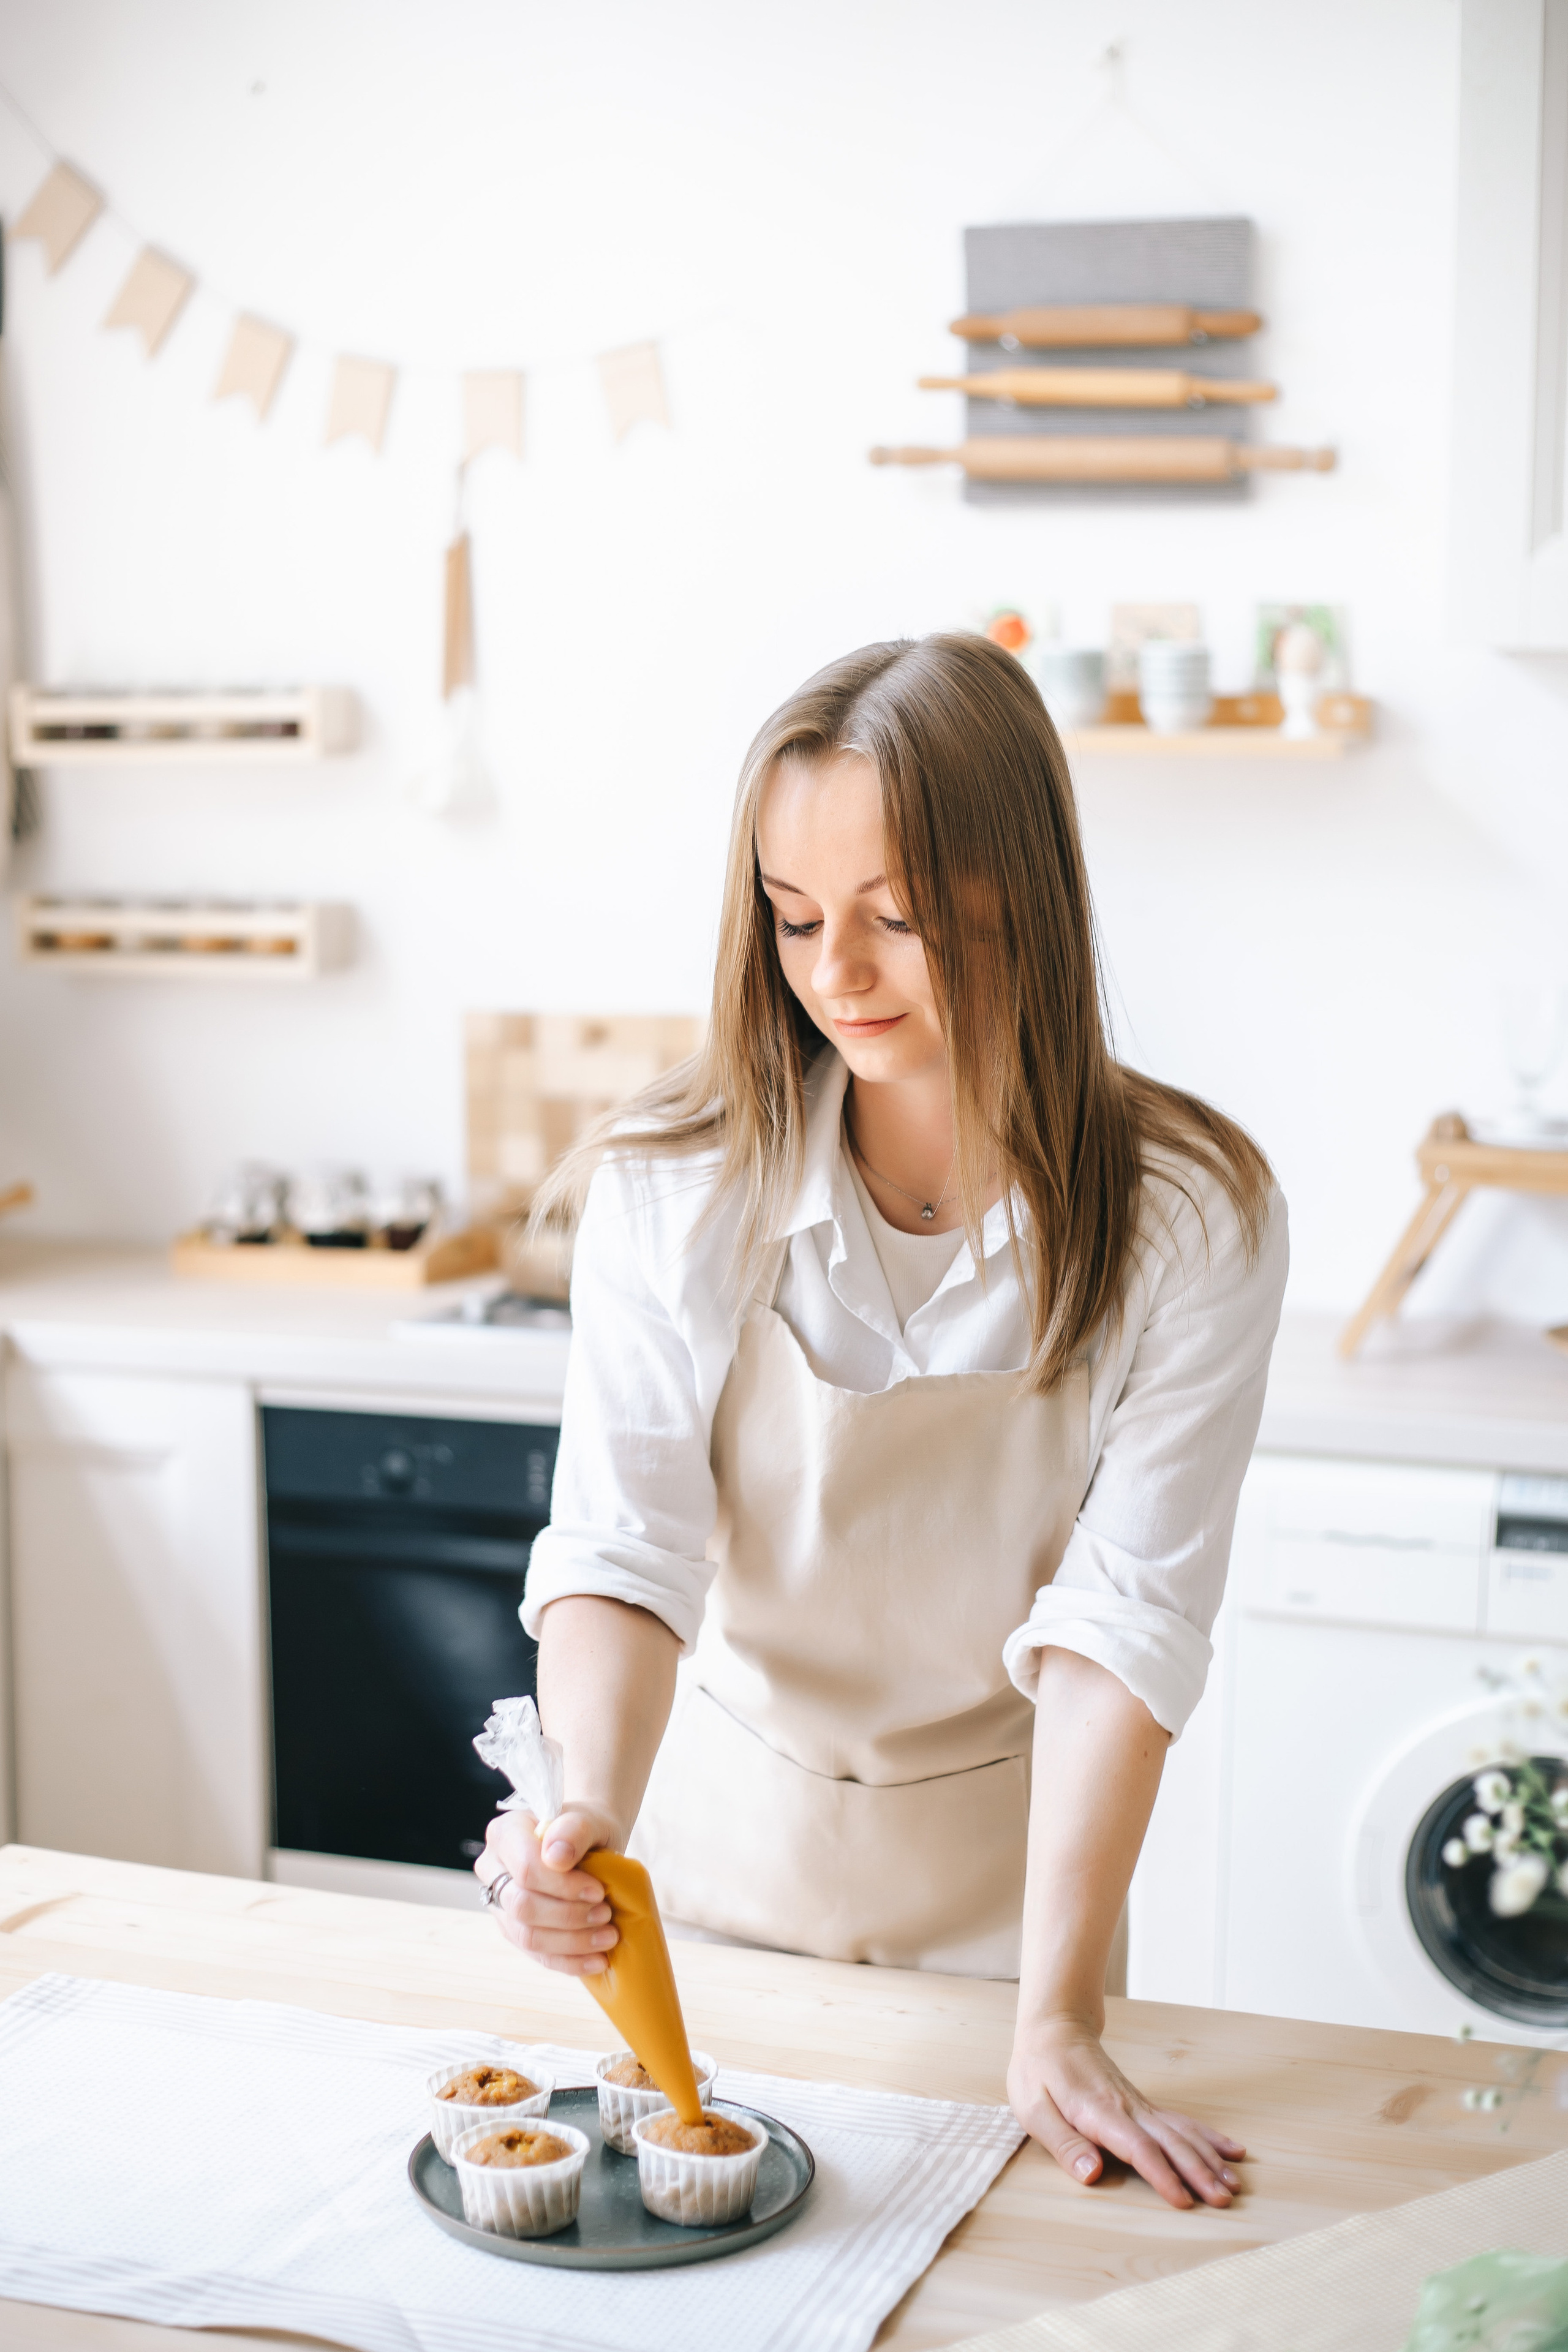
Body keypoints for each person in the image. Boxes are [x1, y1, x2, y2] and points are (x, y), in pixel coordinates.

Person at [477, 633, 1287, 2211]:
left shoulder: (1190, 1217)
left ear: (1021, 897)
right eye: (794, 918)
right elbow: (625, 1553)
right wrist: (577, 1816)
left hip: (1011, 1939)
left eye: (894, 918)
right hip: (696, 1909)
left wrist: (1057, 2015)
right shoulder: (672, 1184)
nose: (834, 972)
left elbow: (1122, 1629)